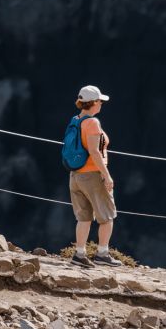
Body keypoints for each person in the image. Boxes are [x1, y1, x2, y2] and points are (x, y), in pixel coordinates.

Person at [67, 85, 121, 268]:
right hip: (92, 175)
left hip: (76, 175)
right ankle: (102, 254)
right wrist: (107, 176)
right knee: (107, 216)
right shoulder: (92, 123)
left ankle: (79, 254)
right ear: (93, 103)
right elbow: (94, 152)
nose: (101, 104)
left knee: (83, 217)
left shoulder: (76, 120)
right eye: (100, 101)